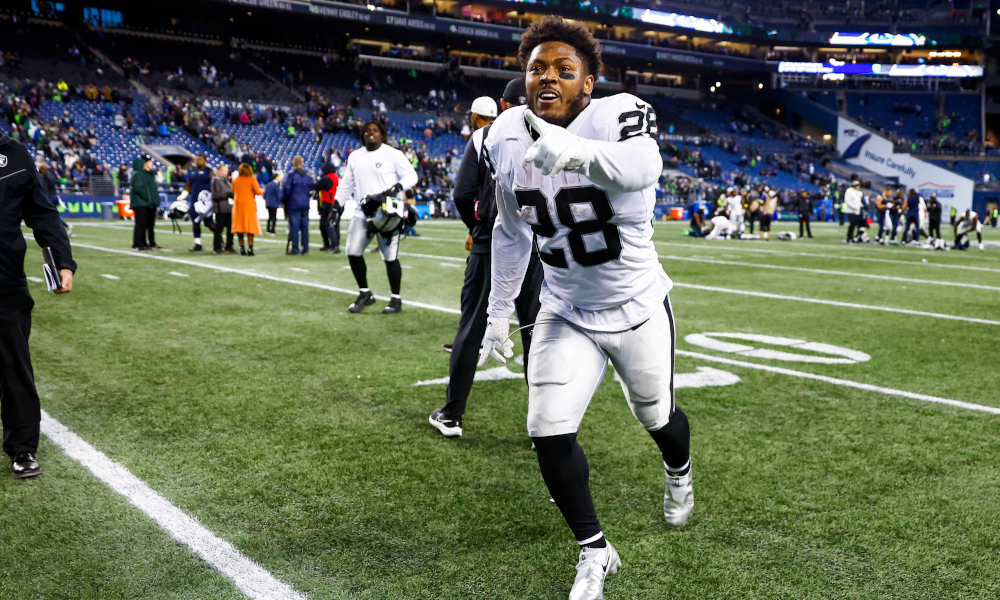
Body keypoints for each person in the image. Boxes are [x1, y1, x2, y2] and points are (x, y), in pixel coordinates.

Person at [478, 17, 692, 599]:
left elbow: (643, 168)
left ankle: (679, 471)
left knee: (658, 420)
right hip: (565, 307)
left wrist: (573, 151)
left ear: (588, 84)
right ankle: (595, 552)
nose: (547, 77)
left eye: (562, 70)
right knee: (547, 429)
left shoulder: (616, 114)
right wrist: (500, 308)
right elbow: (510, 228)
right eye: (536, 69)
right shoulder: (504, 135)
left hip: (637, 305)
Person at [428, 81, 544, 438]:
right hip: (539, 248)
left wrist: (478, 227)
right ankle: (546, 427)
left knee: (473, 327)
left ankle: (452, 414)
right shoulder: (552, 134)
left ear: (502, 103)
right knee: (538, 335)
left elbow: (462, 194)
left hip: (492, 245)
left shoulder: (485, 136)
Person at [0, 128, 76, 478]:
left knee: (15, 366)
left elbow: (42, 213)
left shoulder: (15, 155)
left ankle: (23, 449)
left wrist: (62, 261)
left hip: (5, 280)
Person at [335, 121, 418, 314]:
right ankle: (365, 293)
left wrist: (396, 188)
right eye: (366, 131)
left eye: (375, 130)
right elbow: (346, 183)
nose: (370, 134)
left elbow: (411, 176)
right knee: (352, 251)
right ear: (362, 135)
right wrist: (336, 205)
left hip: (388, 211)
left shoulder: (393, 154)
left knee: (390, 257)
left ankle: (395, 299)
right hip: (362, 212)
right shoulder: (355, 156)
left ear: (382, 134)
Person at [281, 156, 314, 255]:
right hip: (305, 204)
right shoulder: (308, 177)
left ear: (293, 164)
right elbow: (311, 191)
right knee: (305, 227)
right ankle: (306, 248)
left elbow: (286, 190)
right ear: (302, 164)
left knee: (294, 227)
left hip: (293, 204)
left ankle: (295, 248)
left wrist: (284, 201)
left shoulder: (291, 176)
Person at [183, 155, 214, 251]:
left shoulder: (210, 171)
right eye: (197, 159)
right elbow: (188, 186)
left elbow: (215, 183)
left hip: (207, 202)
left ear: (205, 160)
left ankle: (218, 238)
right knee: (195, 222)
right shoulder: (192, 172)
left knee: (209, 223)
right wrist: (183, 195)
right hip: (195, 201)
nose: (198, 161)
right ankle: (198, 243)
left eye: (200, 159)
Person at [129, 155, 160, 251]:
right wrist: (148, 198)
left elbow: (152, 189)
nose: (152, 164)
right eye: (150, 162)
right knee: (141, 224)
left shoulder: (149, 175)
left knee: (149, 224)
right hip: (141, 203)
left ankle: (148, 243)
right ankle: (138, 243)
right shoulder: (138, 174)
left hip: (148, 203)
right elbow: (140, 189)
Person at [231, 162, 263, 256]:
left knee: (239, 228)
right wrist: (262, 190)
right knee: (250, 228)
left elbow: (233, 192)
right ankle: (250, 248)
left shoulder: (235, 180)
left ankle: (241, 248)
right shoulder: (252, 179)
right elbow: (258, 192)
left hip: (238, 206)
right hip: (249, 206)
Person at [317, 162, 341, 253]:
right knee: (335, 225)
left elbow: (316, 186)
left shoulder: (327, 178)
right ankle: (335, 244)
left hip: (329, 203)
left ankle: (332, 245)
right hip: (339, 204)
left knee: (326, 224)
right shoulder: (338, 177)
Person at [211, 164, 235, 254]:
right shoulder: (216, 180)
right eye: (224, 170)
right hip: (220, 208)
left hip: (229, 208)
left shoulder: (227, 181)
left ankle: (229, 246)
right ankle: (217, 247)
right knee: (219, 229)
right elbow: (216, 195)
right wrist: (229, 194)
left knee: (230, 228)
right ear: (219, 171)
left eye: (226, 170)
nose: (226, 172)